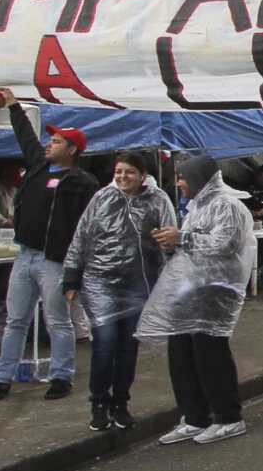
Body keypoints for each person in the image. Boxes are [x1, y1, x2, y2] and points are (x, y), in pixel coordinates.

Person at [0, 106, 99, 403]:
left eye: (57, 142)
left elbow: (88, 227)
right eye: (49, 141)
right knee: (15, 320)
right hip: (25, 256)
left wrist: (77, 266)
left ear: (73, 150)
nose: (49, 144)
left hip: (54, 261)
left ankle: (61, 376)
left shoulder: (83, 183)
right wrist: (13, 106)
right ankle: (1, 378)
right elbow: (25, 136)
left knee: (58, 320)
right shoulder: (37, 167)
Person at [59, 152, 177, 433]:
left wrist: (169, 263)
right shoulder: (102, 198)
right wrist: (72, 278)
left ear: (143, 175)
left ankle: (120, 402)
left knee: (127, 347)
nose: (123, 177)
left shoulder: (157, 199)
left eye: (130, 172)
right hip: (100, 282)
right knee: (105, 343)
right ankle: (99, 402)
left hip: (138, 283)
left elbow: (171, 237)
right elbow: (82, 236)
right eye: (119, 172)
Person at [146, 153, 255, 446]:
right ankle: (195, 416)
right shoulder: (196, 207)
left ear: (198, 179)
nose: (178, 183)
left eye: (182, 177)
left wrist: (181, 238)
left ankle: (228, 417)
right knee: (182, 354)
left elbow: (226, 244)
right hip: (190, 290)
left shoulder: (226, 205)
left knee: (210, 355)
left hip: (214, 292)